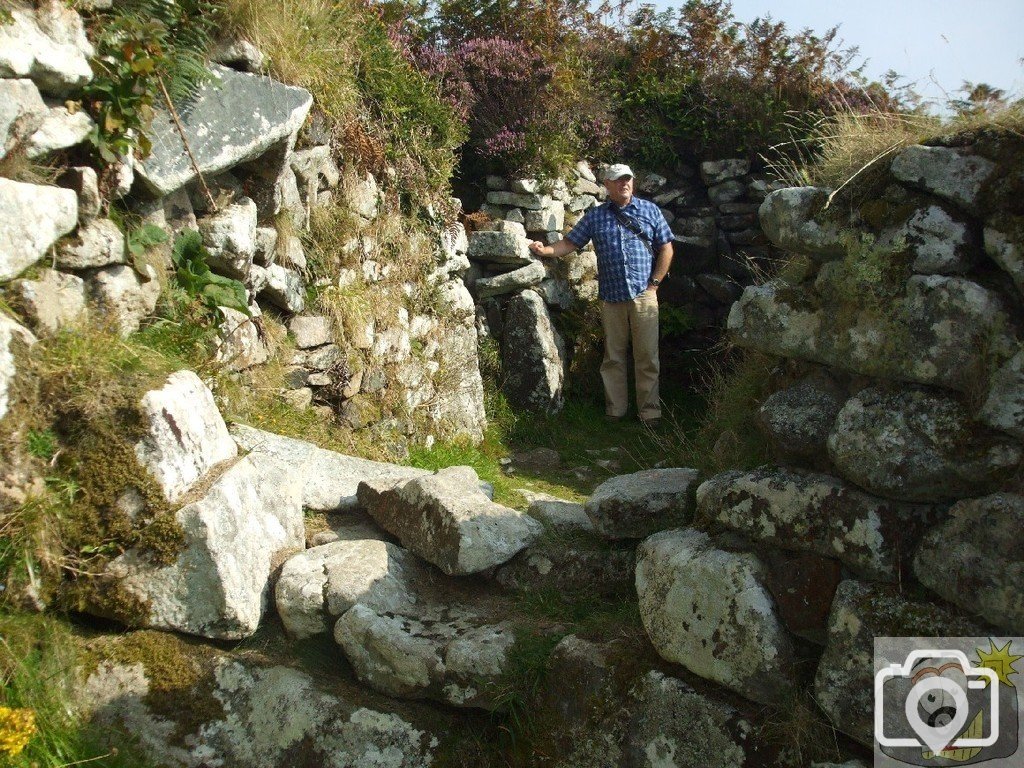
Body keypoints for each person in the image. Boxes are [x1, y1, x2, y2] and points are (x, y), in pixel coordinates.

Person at [529, 164, 673, 426]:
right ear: (607, 184)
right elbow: (570, 243)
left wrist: (654, 284)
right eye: (618, 180)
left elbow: (666, 248)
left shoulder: (650, 210)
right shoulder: (596, 217)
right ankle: (615, 411)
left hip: (644, 294)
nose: (624, 184)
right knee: (613, 356)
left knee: (647, 356)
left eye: (628, 179)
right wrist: (546, 251)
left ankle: (650, 414)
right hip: (612, 296)